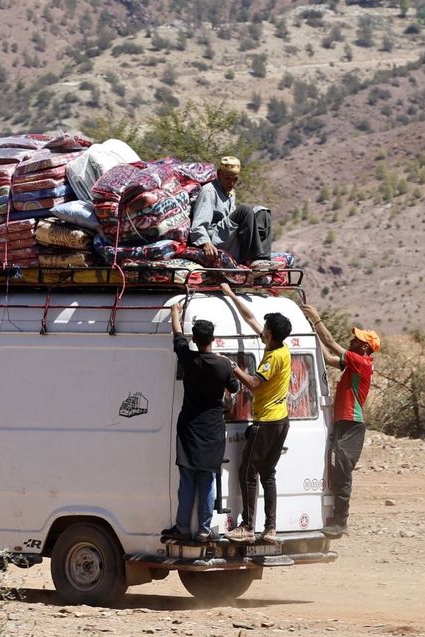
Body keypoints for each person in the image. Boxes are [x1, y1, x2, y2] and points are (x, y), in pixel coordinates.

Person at [161, 301, 240, 542]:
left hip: (189, 427)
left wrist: (175, 313)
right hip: (213, 428)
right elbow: (234, 388)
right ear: (213, 338)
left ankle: (183, 527)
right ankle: (205, 529)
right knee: (208, 479)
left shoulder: (188, 359)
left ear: (195, 339)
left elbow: (177, 336)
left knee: (186, 480)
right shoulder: (223, 365)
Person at [301, 303, 380, 539]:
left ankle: (340, 521)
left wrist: (316, 320)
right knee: (337, 470)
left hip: (352, 424)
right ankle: (335, 518)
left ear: (365, 347)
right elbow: (326, 356)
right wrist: (309, 332)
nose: (352, 341)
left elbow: (331, 344)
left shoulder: (361, 362)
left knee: (343, 472)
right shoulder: (353, 364)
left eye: (356, 340)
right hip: (344, 423)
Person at [220, 282, 292, 543]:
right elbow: (250, 318)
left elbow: (252, 384)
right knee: (267, 473)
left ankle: (248, 525)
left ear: (270, 334)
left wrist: (232, 366)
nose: (261, 331)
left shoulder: (273, 358)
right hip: (281, 420)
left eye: (265, 330)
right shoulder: (281, 348)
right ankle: (270, 528)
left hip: (267, 422)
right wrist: (230, 295)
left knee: (247, 472)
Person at [188, 156, 275, 269]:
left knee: (263, 212)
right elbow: (199, 223)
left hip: (230, 238)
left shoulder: (230, 193)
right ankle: (251, 259)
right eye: (228, 179)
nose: (232, 183)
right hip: (216, 239)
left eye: (235, 179)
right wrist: (206, 243)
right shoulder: (209, 191)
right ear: (219, 174)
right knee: (245, 209)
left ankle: (261, 259)